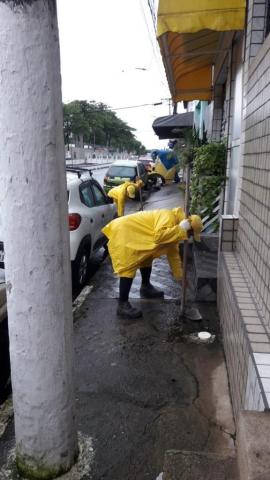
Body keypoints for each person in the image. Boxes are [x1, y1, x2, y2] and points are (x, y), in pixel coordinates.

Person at [102, 208, 202, 319]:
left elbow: (173, 254)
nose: (189, 237)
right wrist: (180, 229)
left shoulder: (176, 231)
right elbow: (158, 236)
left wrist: (180, 277)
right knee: (127, 266)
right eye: (191, 234)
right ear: (188, 227)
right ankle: (122, 305)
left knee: (146, 258)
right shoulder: (169, 217)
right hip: (124, 232)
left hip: (137, 234)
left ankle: (146, 287)